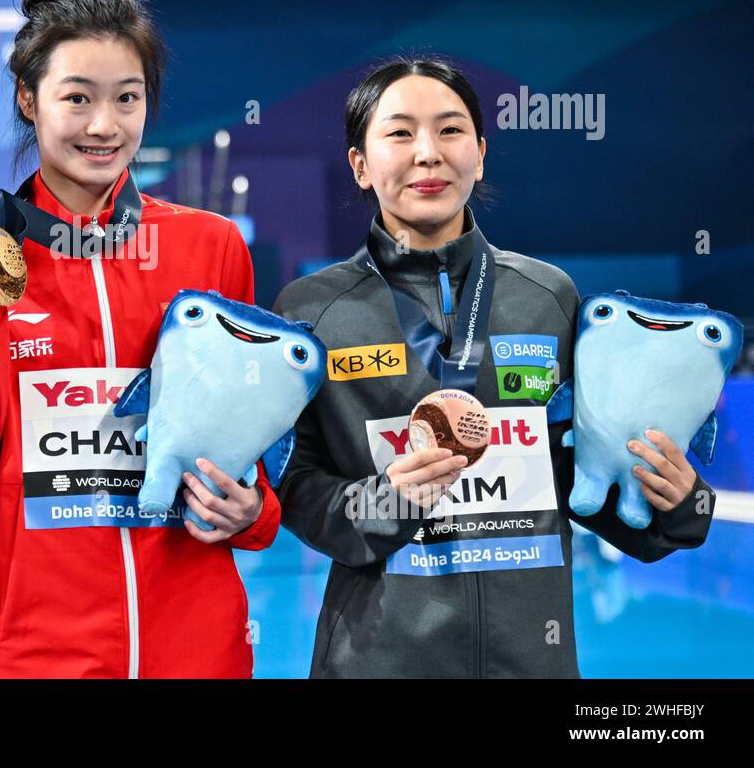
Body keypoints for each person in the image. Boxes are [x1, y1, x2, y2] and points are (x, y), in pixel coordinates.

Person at [272, 56, 714, 678]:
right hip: (377, 661)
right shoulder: (314, 310)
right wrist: (383, 502)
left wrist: (678, 503)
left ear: (479, 155)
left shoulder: (547, 296)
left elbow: (580, 474)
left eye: (450, 130)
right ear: (360, 164)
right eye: (399, 133)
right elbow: (293, 483)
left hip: (531, 662)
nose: (428, 153)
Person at [0, 0, 280, 678]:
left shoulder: (211, 247)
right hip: (40, 646)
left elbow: (249, 444)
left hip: (197, 644)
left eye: (127, 99)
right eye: (76, 98)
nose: (104, 126)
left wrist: (253, 510)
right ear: (28, 98)